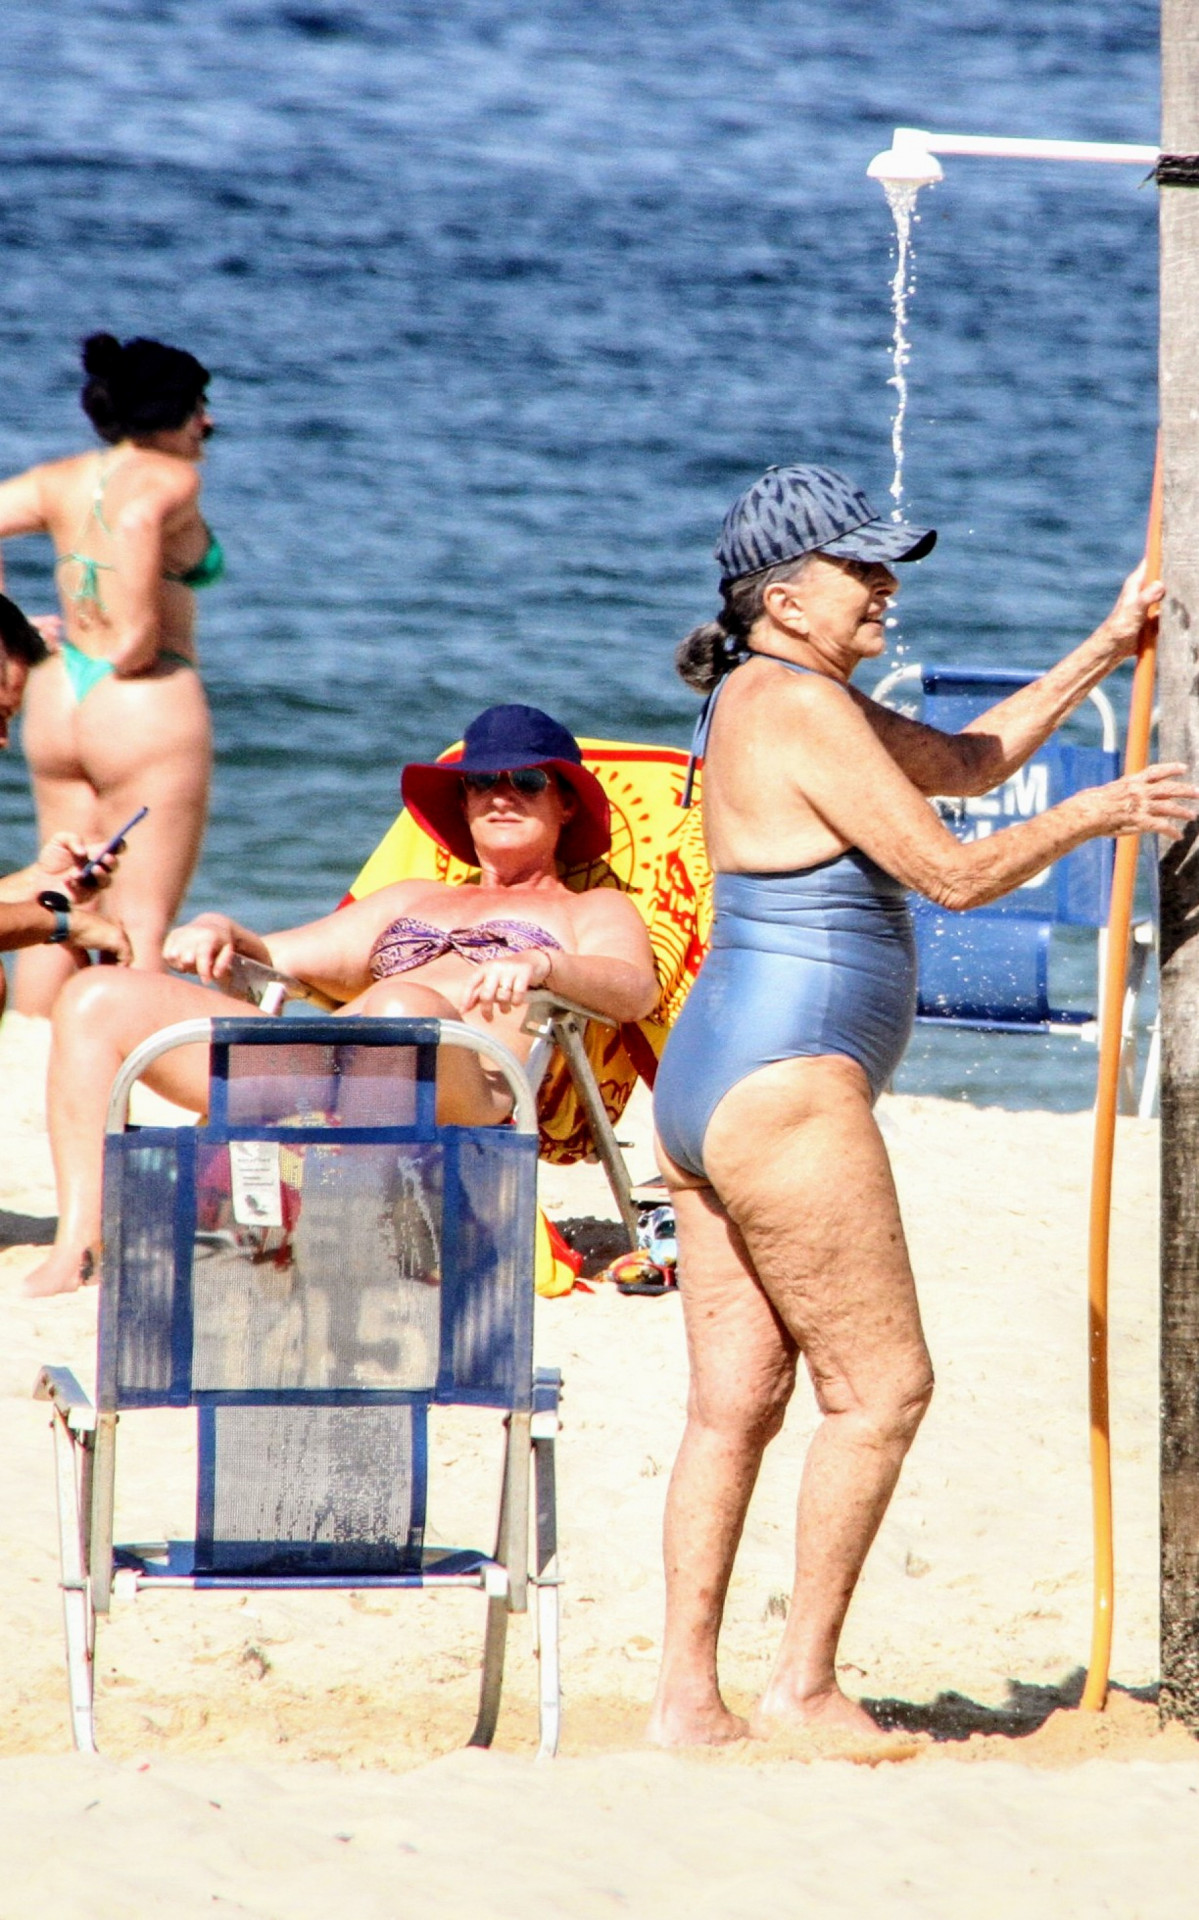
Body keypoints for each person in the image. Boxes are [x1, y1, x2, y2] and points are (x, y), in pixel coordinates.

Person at [648, 463, 1196, 1748]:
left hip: (708, 1081)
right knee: (880, 1391)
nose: (887, 585)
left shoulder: (771, 693)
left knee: (735, 1405)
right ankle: (801, 1688)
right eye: (862, 566)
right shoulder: (796, 702)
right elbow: (951, 873)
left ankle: (686, 1702)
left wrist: (1103, 650)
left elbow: (957, 763)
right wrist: (1101, 811)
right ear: (784, 597)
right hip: (785, 1088)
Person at [27, 703, 658, 1298]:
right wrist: (224, 931)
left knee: (401, 1009)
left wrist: (544, 963)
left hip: (463, 1081)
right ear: (462, 803)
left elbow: (634, 989)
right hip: (322, 1065)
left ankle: (334, 1236)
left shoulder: (591, 909)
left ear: (567, 805)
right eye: (480, 781)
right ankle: (81, 1247)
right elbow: (276, 960)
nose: (500, 794)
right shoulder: (414, 898)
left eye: (526, 780)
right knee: (95, 995)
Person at [0, 333, 219, 1013]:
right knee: (142, 915)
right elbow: (135, 518)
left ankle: (29, 1048)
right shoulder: (170, 475)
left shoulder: (59, 477)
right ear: (177, 412)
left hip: (61, 691)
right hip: (143, 695)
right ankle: (131, 1052)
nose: (208, 423)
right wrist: (135, 636)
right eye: (200, 407)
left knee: (59, 888)